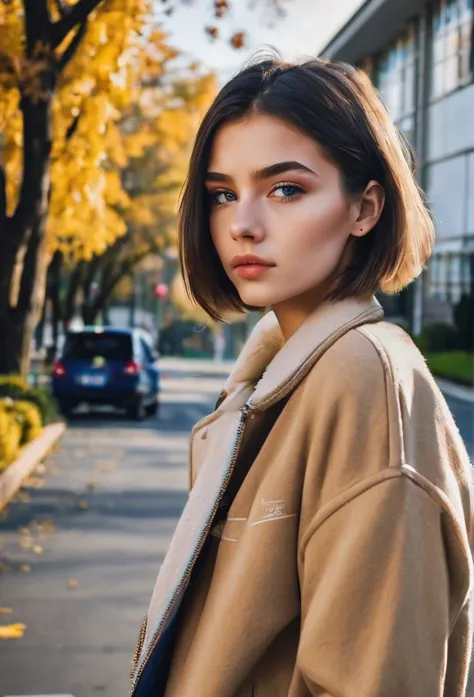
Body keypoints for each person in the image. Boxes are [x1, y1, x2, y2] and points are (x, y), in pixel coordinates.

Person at [130, 55, 473, 697]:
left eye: (286, 189)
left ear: (365, 207)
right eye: (223, 194)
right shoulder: (273, 384)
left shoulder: (364, 377)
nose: (242, 224)